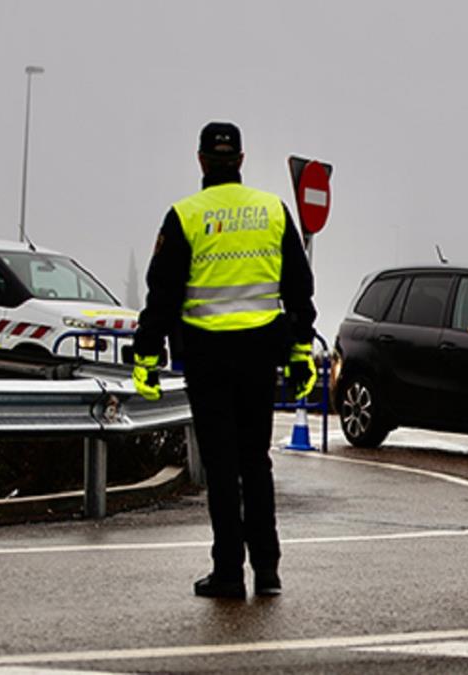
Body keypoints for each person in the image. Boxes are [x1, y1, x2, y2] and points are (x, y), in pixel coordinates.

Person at [132, 121, 318, 599]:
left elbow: (163, 294)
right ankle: (268, 571)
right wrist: (300, 352)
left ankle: (229, 572)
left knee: (221, 466)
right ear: (240, 160)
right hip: (259, 354)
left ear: (201, 161)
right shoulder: (272, 211)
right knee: (256, 461)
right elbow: (299, 288)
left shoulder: (185, 216)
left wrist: (146, 353)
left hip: (208, 356)